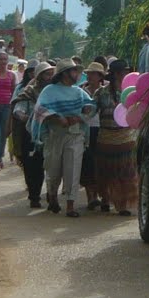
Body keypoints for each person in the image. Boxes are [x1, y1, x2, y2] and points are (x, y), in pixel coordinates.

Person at [34, 58, 94, 216]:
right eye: (74, 71)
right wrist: (57, 118)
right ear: (64, 73)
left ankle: (70, 205)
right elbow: (40, 109)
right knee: (53, 170)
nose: (77, 74)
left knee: (73, 169)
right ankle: (52, 196)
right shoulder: (49, 91)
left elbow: (91, 106)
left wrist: (82, 114)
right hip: (55, 135)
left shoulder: (79, 91)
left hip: (75, 134)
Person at [93, 57, 139, 215]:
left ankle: (122, 205)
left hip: (126, 138)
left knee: (125, 174)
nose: (125, 74)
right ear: (116, 74)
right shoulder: (101, 93)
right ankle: (106, 199)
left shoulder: (132, 92)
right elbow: (92, 111)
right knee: (107, 173)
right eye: (124, 72)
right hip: (106, 139)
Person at [12, 64, 55, 208]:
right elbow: (17, 110)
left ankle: (51, 194)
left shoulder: (55, 92)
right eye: (46, 74)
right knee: (32, 168)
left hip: (51, 134)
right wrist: (31, 119)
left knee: (52, 167)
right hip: (31, 134)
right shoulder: (29, 92)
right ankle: (34, 196)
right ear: (39, 76)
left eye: (51, 74)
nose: (50, 77)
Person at [79, 60, 110, 211]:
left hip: (101, 129)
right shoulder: (80, 91)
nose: (90, 76)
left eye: (93, 74)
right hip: (85, 130)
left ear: (100, 76)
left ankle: (103, 196)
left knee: (101, 163)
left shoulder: (106, 92)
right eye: (89, 73)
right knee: (87, 163)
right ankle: (91, 197)